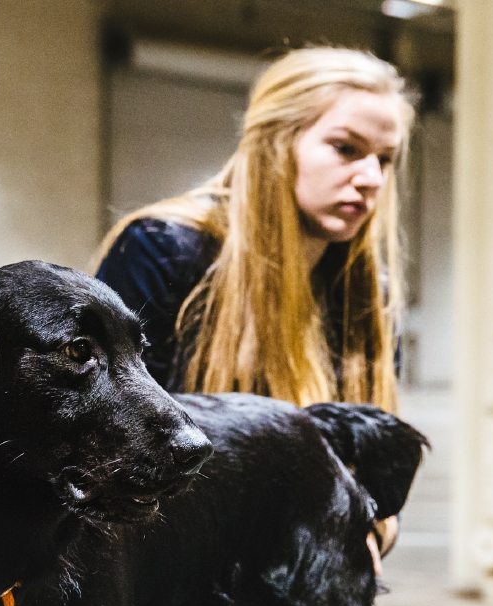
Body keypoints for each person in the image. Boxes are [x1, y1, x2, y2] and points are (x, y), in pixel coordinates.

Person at [93, 47, 412, 562]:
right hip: (176, 573)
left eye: (385, 159)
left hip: (301, 574)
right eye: (346, 148)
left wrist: (373, 526)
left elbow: (376, 475)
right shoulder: (163, 250)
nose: (372, 177)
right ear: (276, 144)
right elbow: (114, 444)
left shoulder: (367, 292)